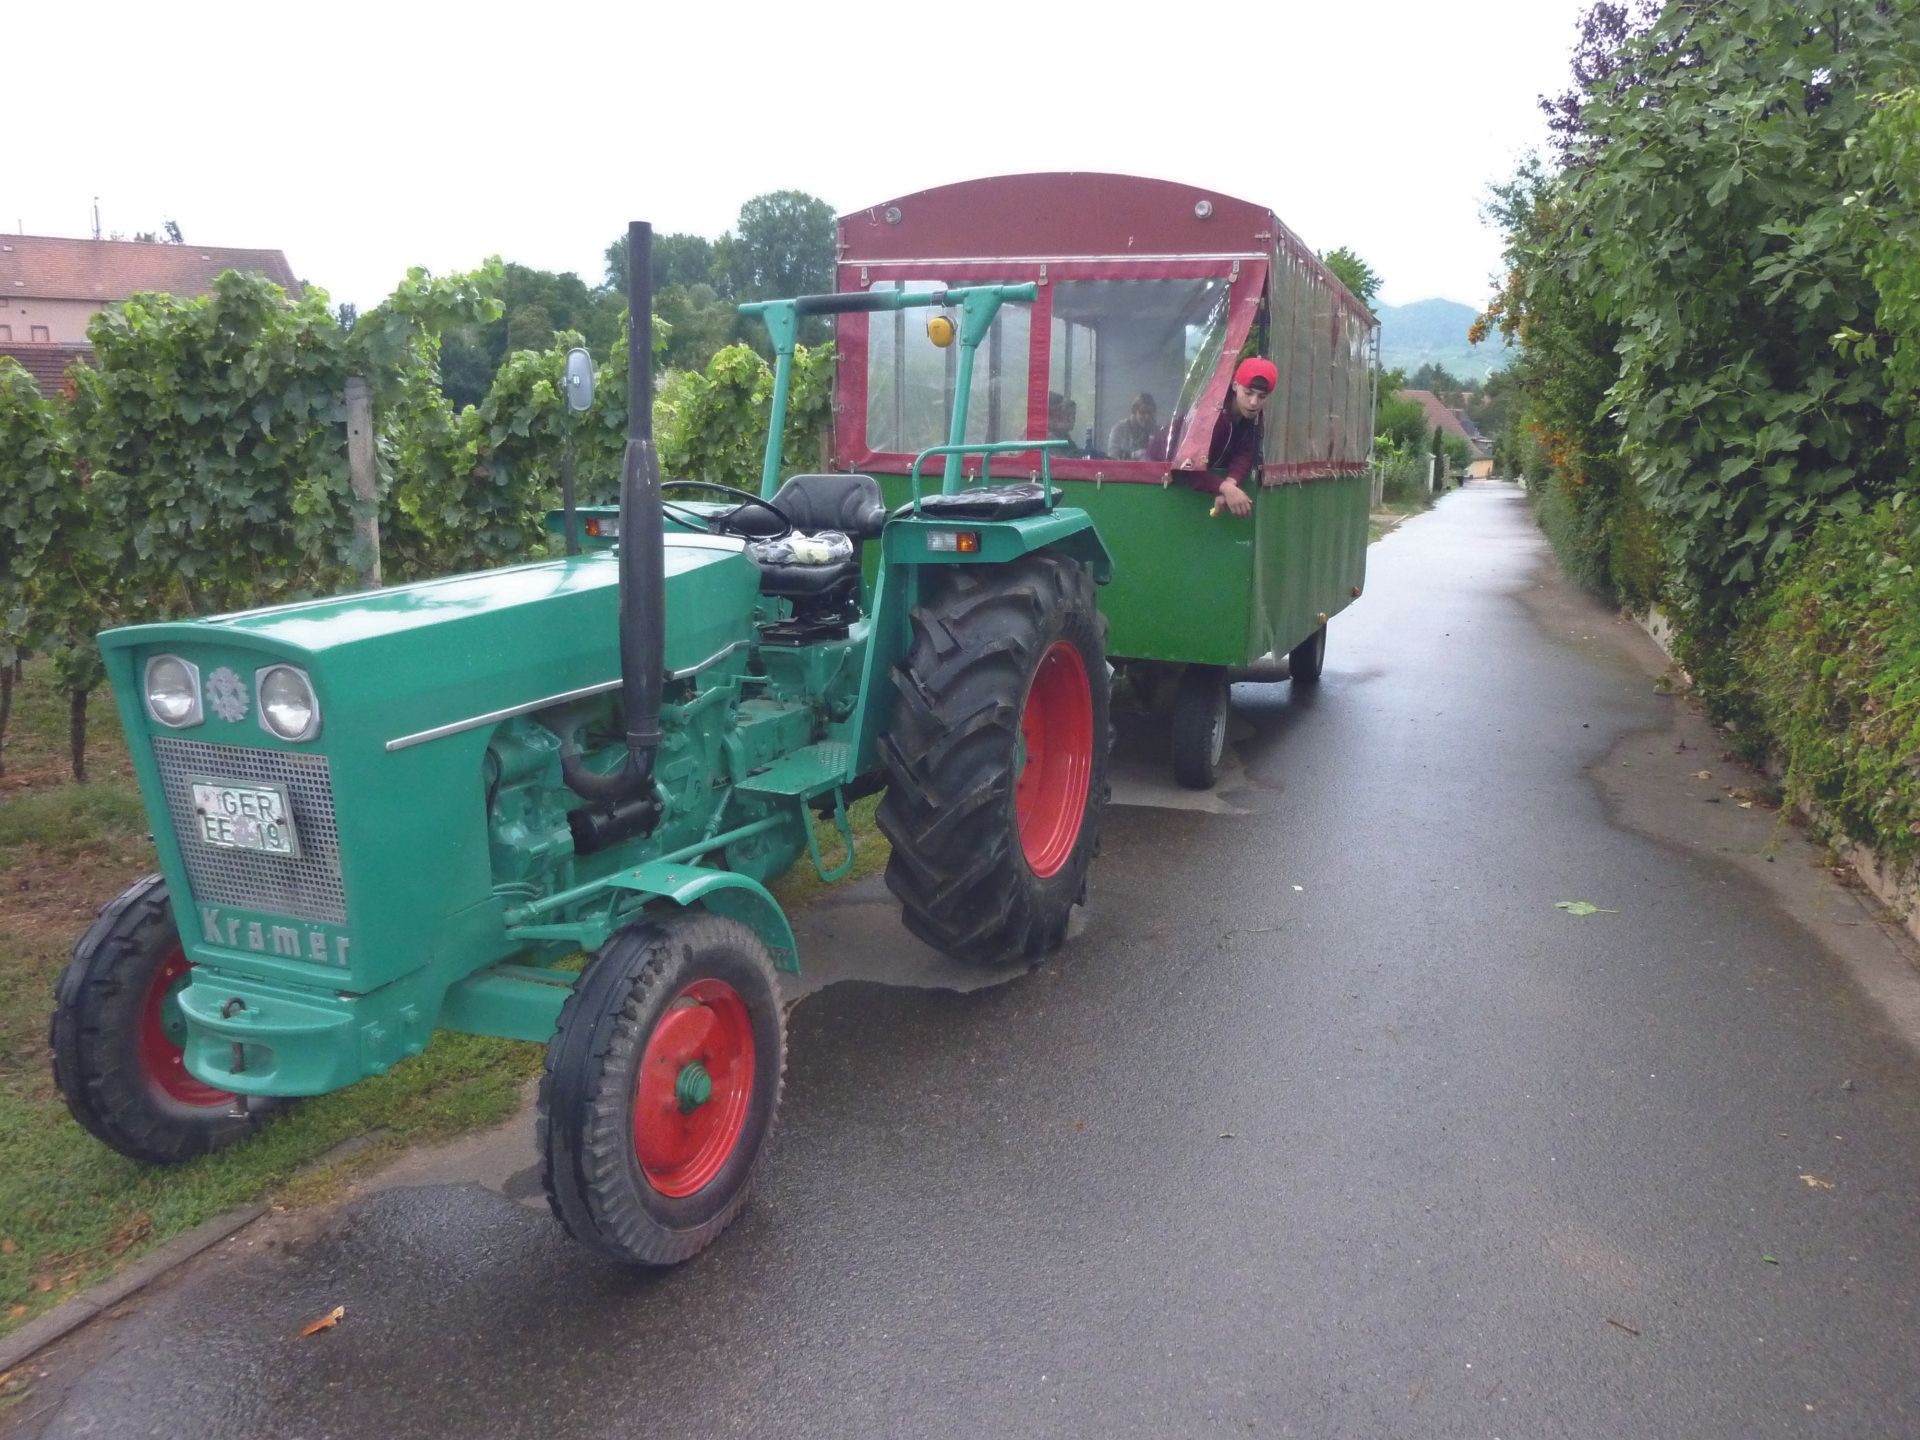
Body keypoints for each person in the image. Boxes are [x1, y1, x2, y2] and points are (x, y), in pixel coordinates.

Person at [1181, 356, 1277, 517]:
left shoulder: (1252, 418)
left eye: (1262, 397)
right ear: (1234, 385)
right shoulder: (1210, 417)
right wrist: (1224, 488)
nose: (1254, 402)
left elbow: (1245, 453)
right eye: (1248, 393)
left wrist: (1230, 483)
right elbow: (1187, 468)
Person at [1105, 392, 1158, 459]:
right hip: (1124, 469)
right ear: (1134, 411)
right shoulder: (1119, 429)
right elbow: (1112, 457)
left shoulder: (1156, 431)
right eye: (1143, 412)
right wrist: (1133, 455)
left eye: (1149, 412)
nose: (1147, 416)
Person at [1046, 392, 1083, 456]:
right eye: (1067, 415)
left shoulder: (1064, 437)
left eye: (1073, 416)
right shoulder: (1049, 439)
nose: (1071, 420)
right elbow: (1061, 461)